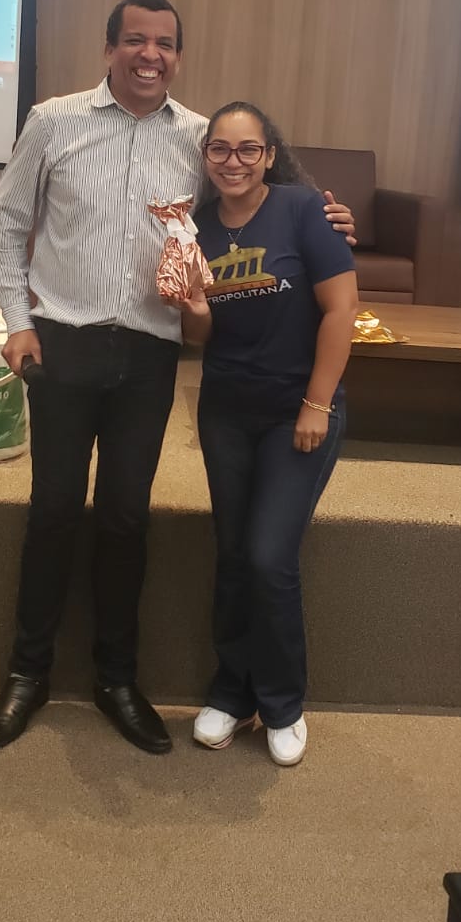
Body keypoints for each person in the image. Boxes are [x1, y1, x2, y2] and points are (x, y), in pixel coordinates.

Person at [0, 0, 355, 754]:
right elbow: (8, 224)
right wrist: (17, 321)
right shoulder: (52, 122)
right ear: (109, 48)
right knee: (54, 510)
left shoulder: (198, 139)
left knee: (126, 518)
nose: (150, 55)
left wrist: (330, 217)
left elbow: (263, 192)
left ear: (179, 57)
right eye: (135, 40)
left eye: (165, 44)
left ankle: (117, 680)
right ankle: (27, 673)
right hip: (62, 343)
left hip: (150, 355)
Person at [175, 102, 358, 767]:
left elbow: (342, 310)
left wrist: (316, 404)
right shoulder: (195, 228)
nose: (233, 162)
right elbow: (200, 336)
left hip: (296, 410)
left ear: (269, 155)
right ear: (206, 158)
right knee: (232, 554)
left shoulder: (304, 210)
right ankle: (231, 691)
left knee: (268, 557)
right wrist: (195, 307)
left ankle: (282, 703)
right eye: (219, 150)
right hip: (225, 408)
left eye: (247, 149)